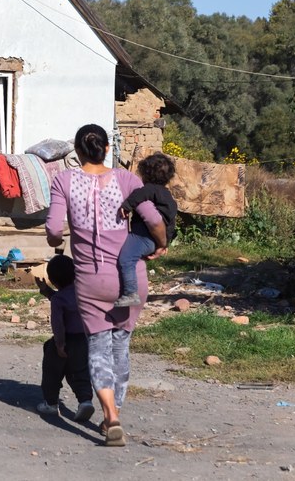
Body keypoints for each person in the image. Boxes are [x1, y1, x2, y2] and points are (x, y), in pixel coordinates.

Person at [45, 124, 167, 446]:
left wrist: (57, 238)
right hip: (131, 279)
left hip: (90, 281)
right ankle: (115, 413)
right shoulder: (127, 180)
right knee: (120, 346)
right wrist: (160, 244)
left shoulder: (64, 180)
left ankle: (110, 413)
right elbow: (154, 220)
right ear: (107, 149)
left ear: (77, 150)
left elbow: (54, 229)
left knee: (98, 347)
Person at [36, 254, 95, 422]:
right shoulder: (83, 293)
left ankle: (51, 403)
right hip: (84, 339)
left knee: (52, 371)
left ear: (53, 281)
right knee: (80, 370)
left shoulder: (58, 300)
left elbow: (58, 324)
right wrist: (46, 291)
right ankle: (85, 401)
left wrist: (60, 344)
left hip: (66, 340)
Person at [114, 152, 178, 307]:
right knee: (133, 260)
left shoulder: (150, 190)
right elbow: (171, 224)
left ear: (146, 174)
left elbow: (139, 194)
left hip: (143, 237)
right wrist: (163, 245)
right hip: (154, 241)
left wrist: (127, 205)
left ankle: (130, 292)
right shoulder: (168, 197)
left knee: (126, 259)